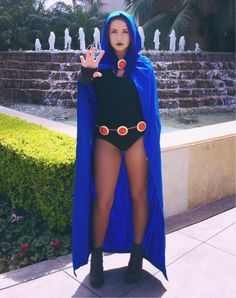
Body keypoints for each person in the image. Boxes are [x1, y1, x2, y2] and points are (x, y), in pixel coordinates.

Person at [72, 10, 168, 288]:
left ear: (132, 34)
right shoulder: (97, 67)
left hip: (136, 138)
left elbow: (151, 113)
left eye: (124, 31)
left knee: (140, 195)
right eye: (113, 31)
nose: (119, 37)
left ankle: (137, 255)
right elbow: (86, 92)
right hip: (106, 140)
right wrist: (85, 74)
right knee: (103, 201)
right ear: (106, 34)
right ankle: (97, 258)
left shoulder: (145, 68)